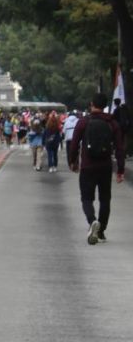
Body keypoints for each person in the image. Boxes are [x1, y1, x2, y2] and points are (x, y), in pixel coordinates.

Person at [69, 93, 125, 244]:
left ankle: (92, 221)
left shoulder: (83, 122)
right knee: (105, 199)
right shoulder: (112, 123)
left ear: (91, 104)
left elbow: (74, 144)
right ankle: (101, 232)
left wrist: (73, 161)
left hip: (87, 166)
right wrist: (120, 170)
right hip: (105, 167)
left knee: (87, 198)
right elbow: (120, 148)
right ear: (105, 105)